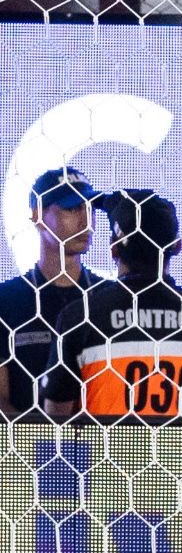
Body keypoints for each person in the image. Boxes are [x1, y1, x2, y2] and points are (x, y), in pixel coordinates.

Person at [41, 189, 182, 419]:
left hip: (106, 454)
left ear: (113, 248)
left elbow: (54, 422)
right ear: (178, 246)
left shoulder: (81, 317)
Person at [0, 167, 106, 416]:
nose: (85, 221)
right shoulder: (7, 301)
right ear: (38, 216)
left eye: (89, 208)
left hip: (101, 447)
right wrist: (38, 441)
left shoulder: (107, 297)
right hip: (24, 449)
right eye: (72, 209)